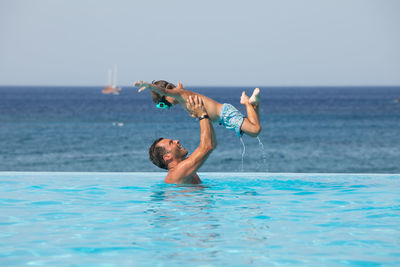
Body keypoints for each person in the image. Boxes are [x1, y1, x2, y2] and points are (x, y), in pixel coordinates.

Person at [134, 80, 261, 138]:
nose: (167, 108)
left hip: (225, 114)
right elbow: (175, 88)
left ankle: (247, 103)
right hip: (224, 118)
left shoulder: (179, 94)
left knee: (255, 130)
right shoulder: (182, 95)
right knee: (253, 131)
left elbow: (165, 90)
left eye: (163, 104)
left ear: (167, 95)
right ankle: (255, 103)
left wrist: (149, 86)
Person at [148, 95, 217, 184]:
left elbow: (212, 143)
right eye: (171, 142)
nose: (177, 140)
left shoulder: (184, 167)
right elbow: (207, 146)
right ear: (167, 157)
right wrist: (202, 115)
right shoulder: (178, 172)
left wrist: (207, 117)